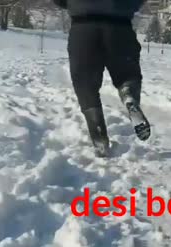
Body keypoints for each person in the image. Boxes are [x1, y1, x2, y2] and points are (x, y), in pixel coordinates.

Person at [52, 0, 151, 157]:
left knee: (85, 84)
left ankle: (98, 133)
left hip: (83, 27)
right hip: (119, 26)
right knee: (127, 74)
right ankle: (128, 94)